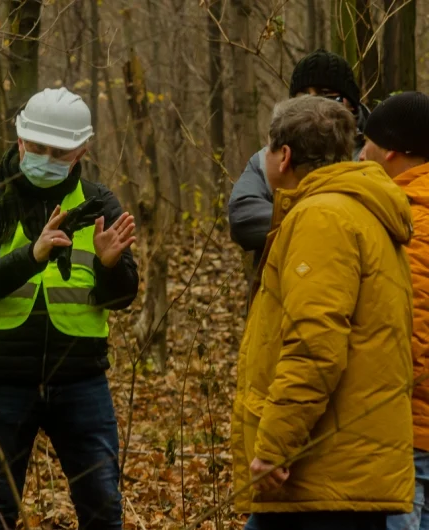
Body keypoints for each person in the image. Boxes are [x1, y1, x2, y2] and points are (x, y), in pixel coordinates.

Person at [0, 87, 139, 530]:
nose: (44, 157)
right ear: (19, 140)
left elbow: (122, 298)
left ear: (81, 151)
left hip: (81, 381)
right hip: (1, 380)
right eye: (36, 147)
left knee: (102, 507)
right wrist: (31, 256)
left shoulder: (99, 204)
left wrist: (111, 267)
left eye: (58, 151)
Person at [231, 95, 414, 530]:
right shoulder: (354, 211)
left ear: (285, 155)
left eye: (269, 149)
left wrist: (274, 446)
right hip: (342, 467)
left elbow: (315, 347)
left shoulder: (323, 218)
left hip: (322, 474)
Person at [228, 49, 369, 269]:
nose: (315, 105)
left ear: (351, 104)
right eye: (304, 97)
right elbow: (243, 219)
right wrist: (324, 224)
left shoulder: (375, 150)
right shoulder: (269, 157)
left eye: (327, 97)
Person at [359, 91, 429, 530]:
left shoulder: (414, 220)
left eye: (365, 143)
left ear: (390, 151)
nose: (359, 152)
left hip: (411, 433)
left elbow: (414, 332)